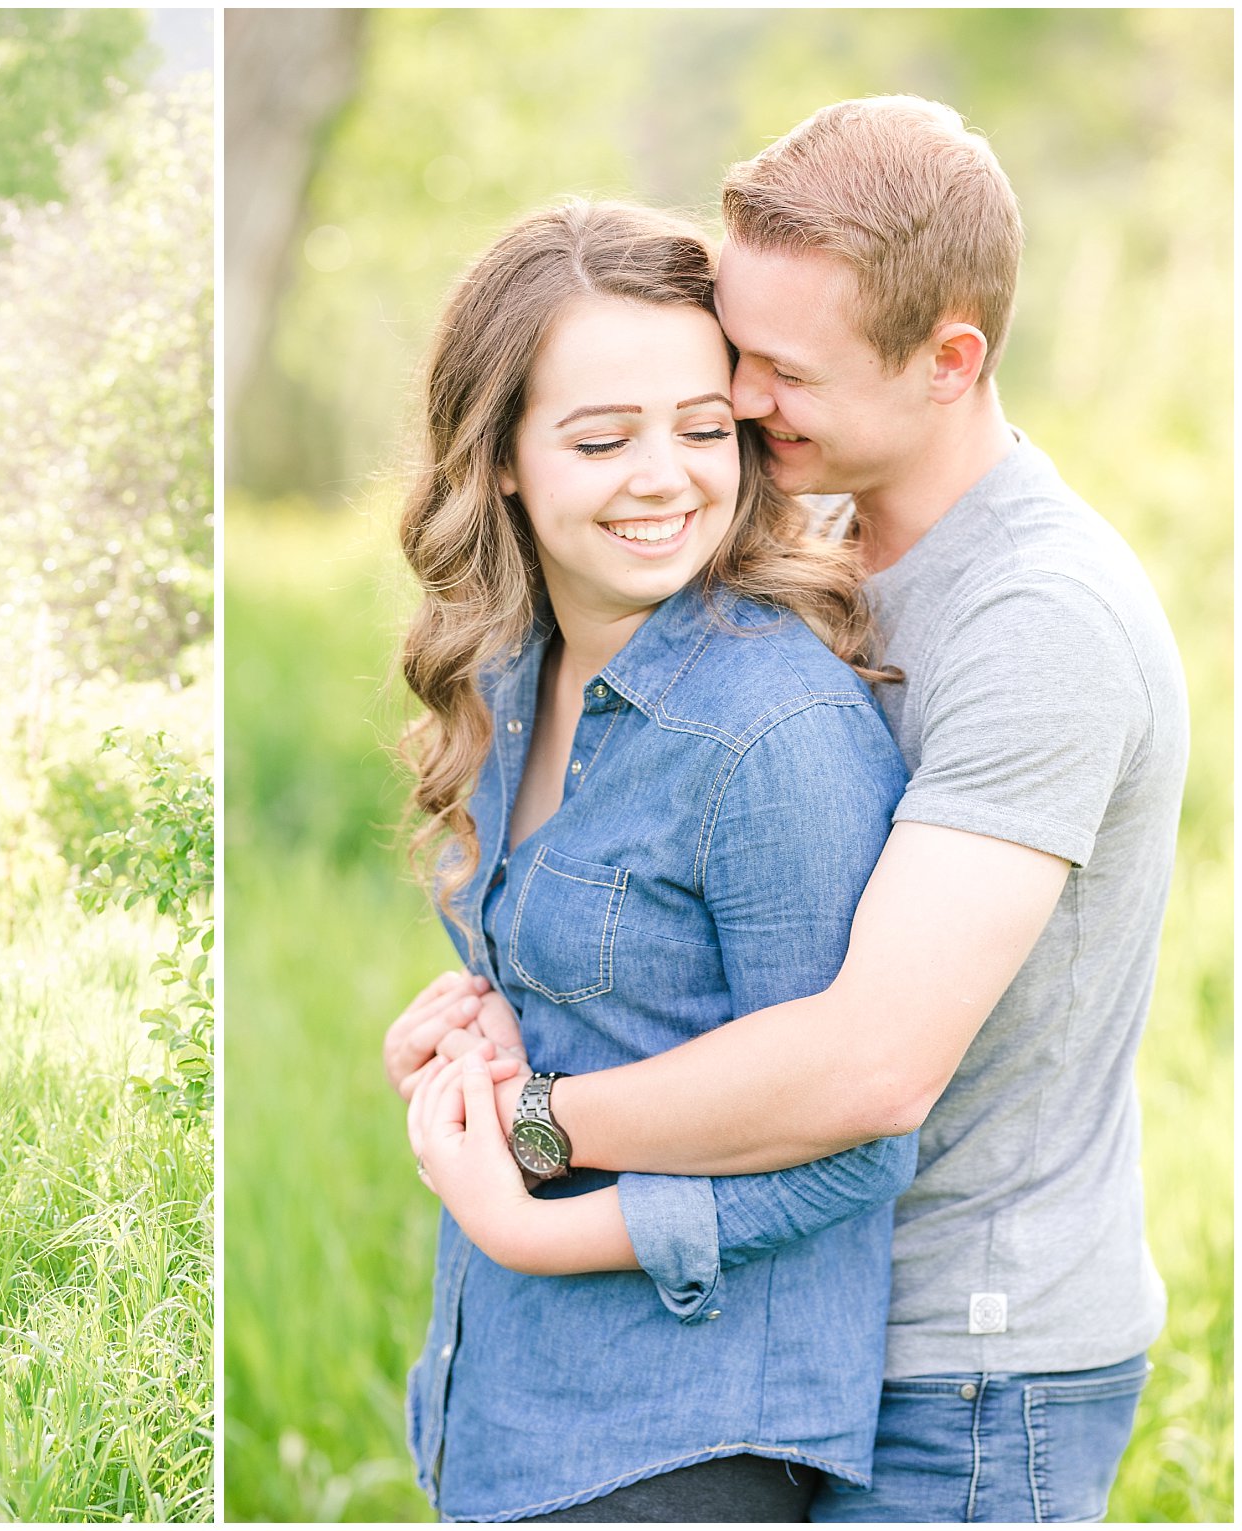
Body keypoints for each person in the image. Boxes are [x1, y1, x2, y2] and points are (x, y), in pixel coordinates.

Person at [424, 97, 1188, 1523]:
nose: (745, 408)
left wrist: (533, 1128)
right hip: (800, 1320)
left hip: (967, 1360)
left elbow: (866, 1067)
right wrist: (505, 998)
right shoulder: (812, 537)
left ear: (951, 359)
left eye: (779, 371)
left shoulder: (1039, 620)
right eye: (737, 357)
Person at [383, 198, 919, 1523]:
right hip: (511, 1406)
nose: (666, 476)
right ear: (501, 457)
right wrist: (476, 1046)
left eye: (700, 426)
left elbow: (856, 1134)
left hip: (684, 1439)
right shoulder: (521, 672)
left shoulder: (773, 735)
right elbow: (617, 1016)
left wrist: (531, 1210)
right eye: (601, 437)